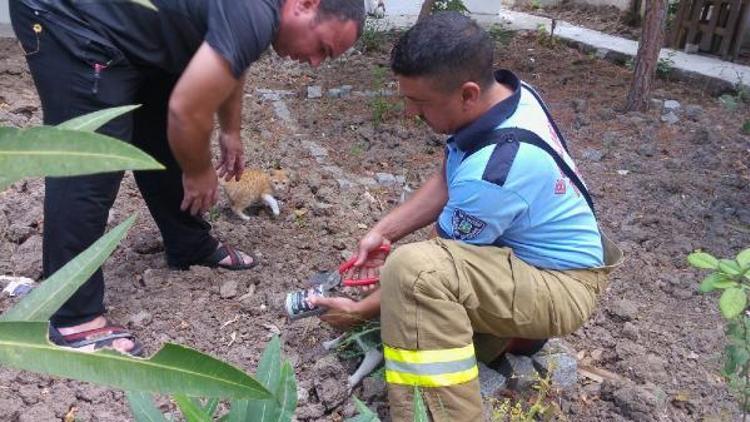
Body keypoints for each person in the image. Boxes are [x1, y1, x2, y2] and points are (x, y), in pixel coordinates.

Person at [310, 12, 622, 420]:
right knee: (416, 276)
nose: (408, 112)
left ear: (468, 94)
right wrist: (383, 230)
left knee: (413, 273)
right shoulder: (511, 95)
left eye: (418, 102)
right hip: (544, 263)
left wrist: (358, 311)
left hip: (562, 286)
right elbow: (450, 171)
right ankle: (509, 337)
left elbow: (434, 268)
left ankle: (439, 412)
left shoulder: (497, 170)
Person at [10, 0, 364, 356]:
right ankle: (73, 315)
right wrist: (198, 172)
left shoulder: (263, 16)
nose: (316, 62)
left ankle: (188, 243)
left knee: (163, 134)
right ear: (306, 4)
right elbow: (186, 109)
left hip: (134, 34)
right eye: (322, 48)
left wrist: (231, 129)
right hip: (71, 19)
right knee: (91, 160)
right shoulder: (256, 13)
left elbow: (234, 58)